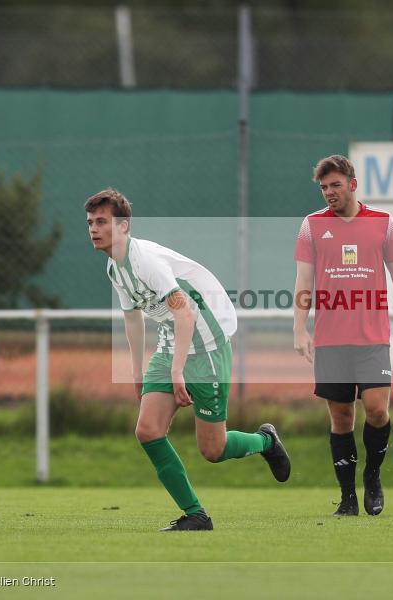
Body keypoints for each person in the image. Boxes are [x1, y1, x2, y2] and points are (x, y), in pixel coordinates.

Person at [86, 188, 291, 531]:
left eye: (102, 221)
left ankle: (266, 441)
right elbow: (132, 318)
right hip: (172, 343)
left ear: (123, 227)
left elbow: (186, 314)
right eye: (91, 222)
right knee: (148, 431)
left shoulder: (144, 261)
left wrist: (178, 371)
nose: (93, 228)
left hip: (207, 343)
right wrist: (135, 370)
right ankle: (196, 515)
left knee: (213, 449)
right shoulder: (114, 267)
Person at [293, 155, 393, 517]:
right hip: (331, 340)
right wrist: (299, 327)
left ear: (352, 183)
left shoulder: (381, 223)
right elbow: (304, 280)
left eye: (335, 185)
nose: (329, 193)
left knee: (378, 411)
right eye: (323, 188)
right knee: (341, 419)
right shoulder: (311, 225)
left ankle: (373, 475)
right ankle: (348, 498)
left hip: (372, 338)